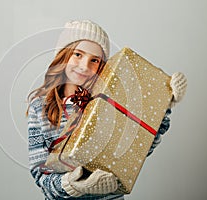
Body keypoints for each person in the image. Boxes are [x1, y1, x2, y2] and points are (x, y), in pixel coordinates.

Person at [27, 20, 187, 200]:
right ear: (62, 56)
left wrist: (165, 103)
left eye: (94, 60)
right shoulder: (40, 108)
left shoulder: (109, 102)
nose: (84, 66)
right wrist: (73, 185)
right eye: (78, 54)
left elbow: (139, 150)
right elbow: (41, 177)